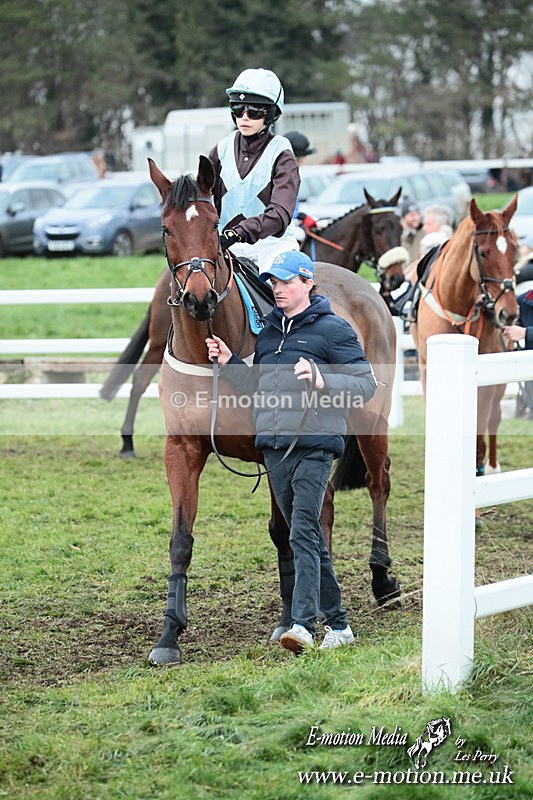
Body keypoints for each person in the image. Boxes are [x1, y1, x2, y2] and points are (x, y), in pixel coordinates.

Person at [205, 250, 377, 655]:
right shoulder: (268, 334)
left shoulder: (333, 330)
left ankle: (302, 626)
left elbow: (365, 385)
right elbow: (257, 389)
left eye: (285, 282)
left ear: (306, 283)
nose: (277, 289)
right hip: (275, 448)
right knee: (309, 535)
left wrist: (322, 379)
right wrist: (230, 363)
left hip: (315, 446)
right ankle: (339, 625)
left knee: (300, 532)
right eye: (273, 282)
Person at [208, 68, 300, 273]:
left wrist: (240, 232)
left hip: (272, 246)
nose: (244, 117)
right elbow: (199, 196)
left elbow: (280, 214)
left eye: (254, 111)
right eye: (237, 109)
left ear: (271, 114)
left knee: (287, 287)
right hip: (225, 245)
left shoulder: (282, 153)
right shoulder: (220, 149)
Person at [283, 130, 318, 243]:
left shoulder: (292, 174)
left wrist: (302, 216)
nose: (303, 160)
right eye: (303, 156)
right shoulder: (282, 176)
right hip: (279, 227)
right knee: (301, 235)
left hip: (289, 221)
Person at [400, 199, 424, 263]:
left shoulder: (423, 232)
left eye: (417, 214)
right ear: (404, 217)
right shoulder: (397, 236)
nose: (416, 218)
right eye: (412, 215)